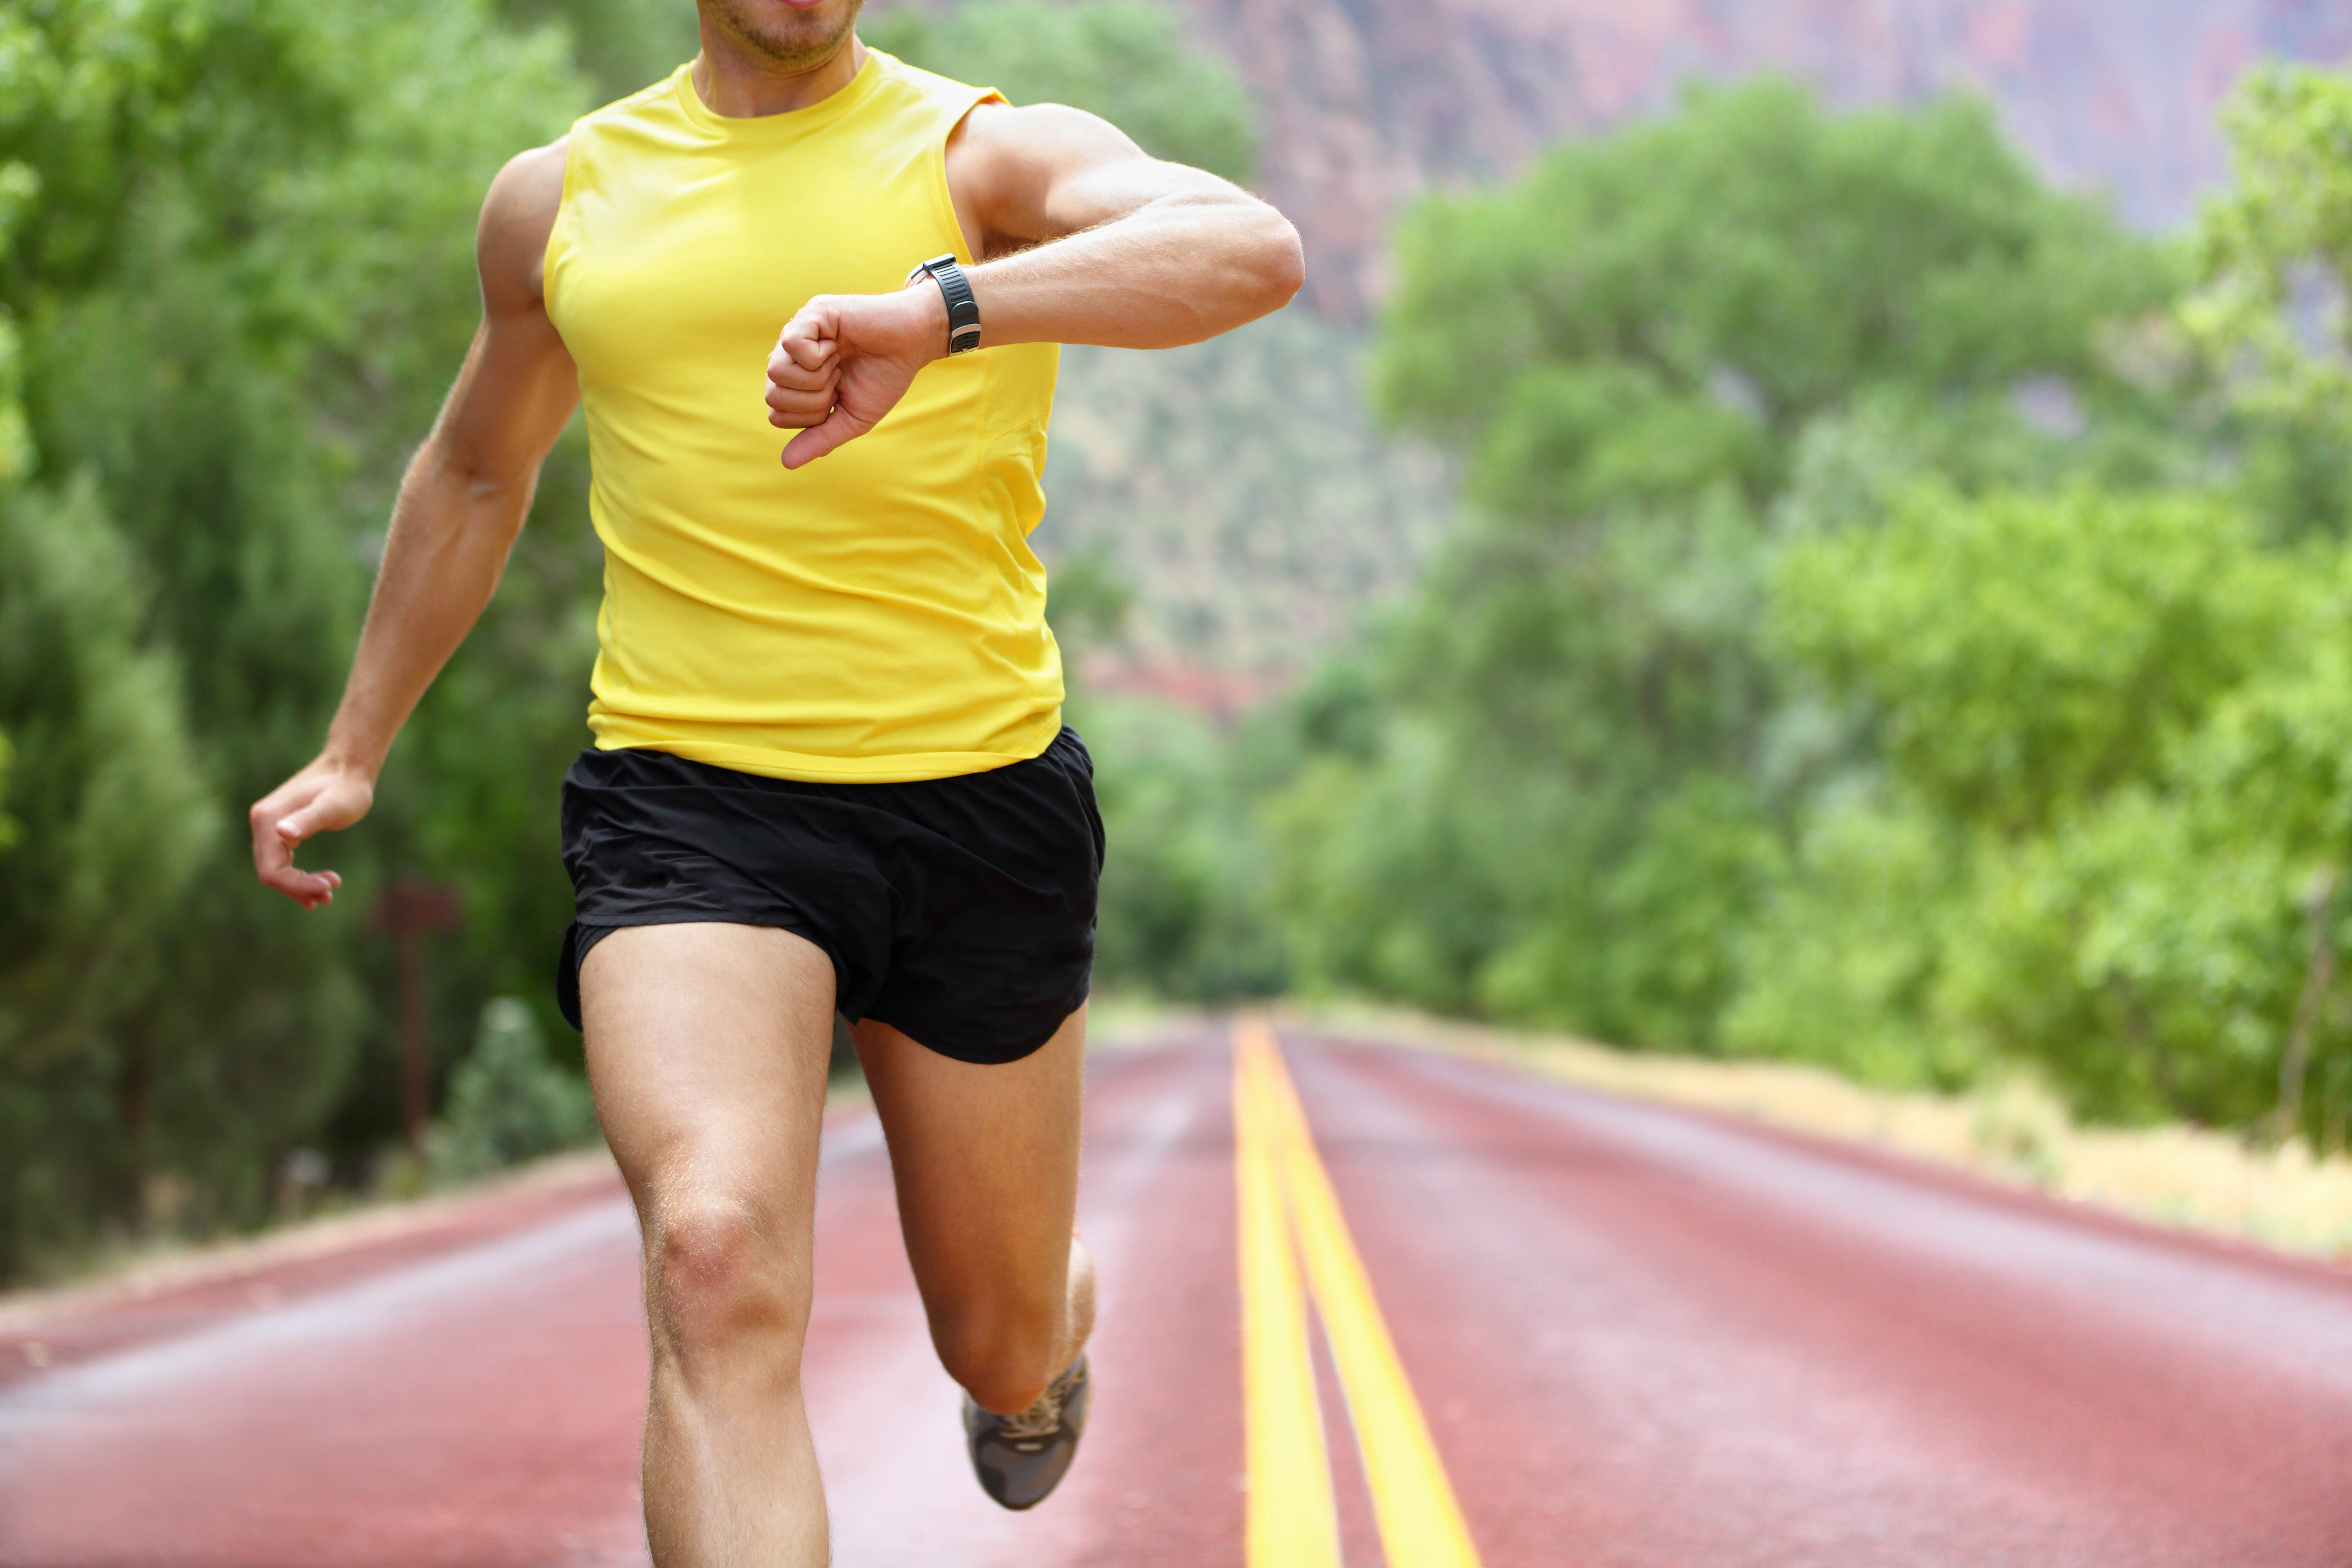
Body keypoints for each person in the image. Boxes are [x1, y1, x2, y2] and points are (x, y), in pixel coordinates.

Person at [246, 0, 1302, 1559]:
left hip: (977, 797)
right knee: (714, 1255)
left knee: (996, 1342)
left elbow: (1250, 250)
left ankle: (1049, 1324)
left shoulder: (983, 153)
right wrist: (354, 743)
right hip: (692, 804)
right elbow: (479, 465)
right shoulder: (565, 196)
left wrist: (941, 311)